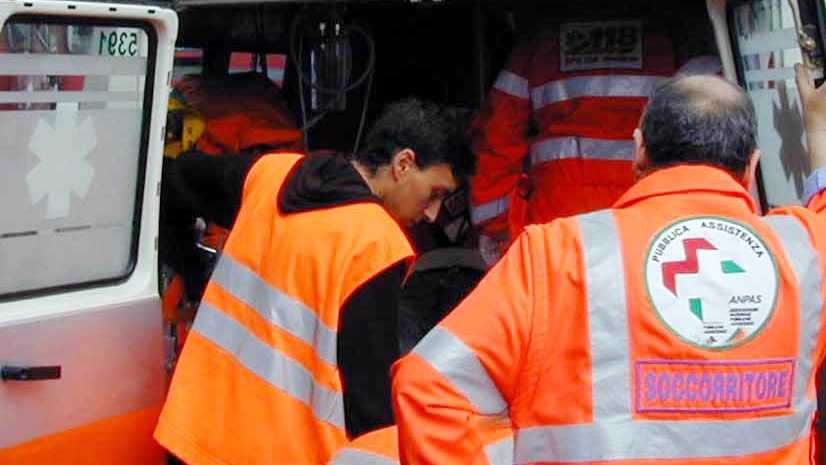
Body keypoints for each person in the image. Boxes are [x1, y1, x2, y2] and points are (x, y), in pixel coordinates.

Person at [392, 72, 826, 464]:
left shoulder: (554, 252)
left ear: (638, 151)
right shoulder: (804, 251)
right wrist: (819, 132)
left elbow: (426, 385)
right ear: (751, 168)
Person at [154, 98, 476, 465]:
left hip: (193, 434)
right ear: (403, 164)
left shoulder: (271, 175)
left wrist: (191, 272)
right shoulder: (376, 243)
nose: (433, 213)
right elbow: (369, 408)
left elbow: (177, 176)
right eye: (434, 193)